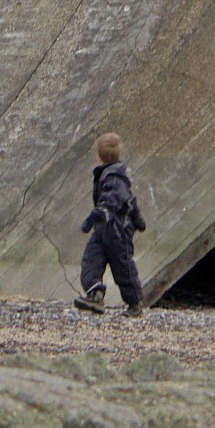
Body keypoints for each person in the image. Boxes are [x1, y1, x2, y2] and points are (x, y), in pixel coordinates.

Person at [74, 132, 146, 318]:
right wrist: (138, 220)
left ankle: (135, 303)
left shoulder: (115, 178)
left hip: (118, 229)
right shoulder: (110, 175)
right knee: (92, 259)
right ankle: (95, 294)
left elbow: (112, 202)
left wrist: (92, 219)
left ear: (98, 156)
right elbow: (131, 201)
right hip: (104, 227)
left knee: (122, 265)